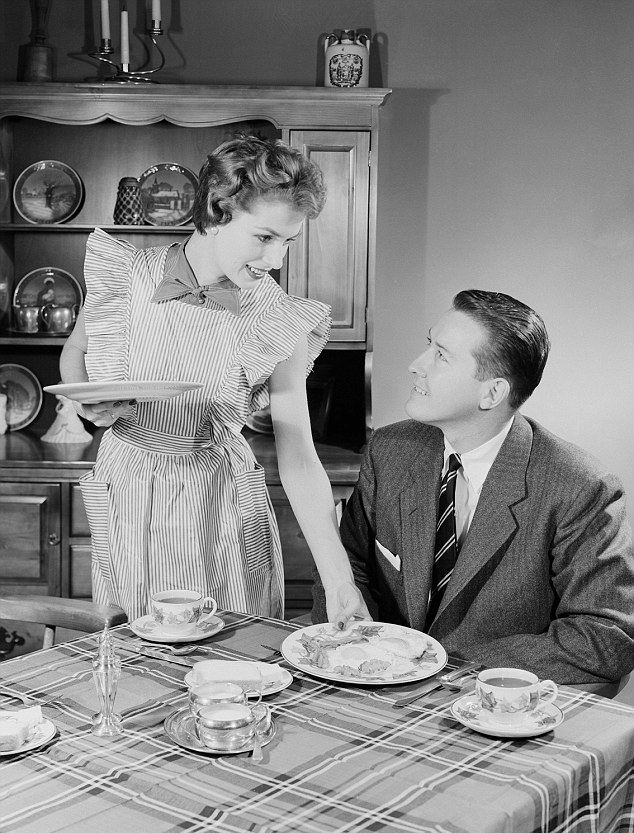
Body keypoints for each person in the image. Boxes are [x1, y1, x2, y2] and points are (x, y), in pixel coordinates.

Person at [60, 135, 369, 624]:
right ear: (217, 209)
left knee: (235, 658)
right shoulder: (127, 275)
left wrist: (340, 581)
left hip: (219, 495)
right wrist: (86, 404)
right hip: (130, 486)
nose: (276, 261)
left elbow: (299, 455)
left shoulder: (274, 315)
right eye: (265, 237)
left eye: (288, 242)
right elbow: (76, 350)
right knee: (142, 656)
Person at [312, 290, 634, 686]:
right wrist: (365, 650)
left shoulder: (581, 488)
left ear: (492, 393)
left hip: (493, 706)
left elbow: (605, 637)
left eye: (441, 356)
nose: (416, 365)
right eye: (429, 344)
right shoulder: (390, 450)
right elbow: (347, 563)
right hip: (377, 688)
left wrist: (445, 667)